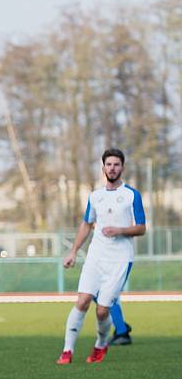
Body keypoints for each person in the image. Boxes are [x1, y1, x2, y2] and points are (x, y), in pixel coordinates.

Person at [57, 148, 145, 365]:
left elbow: (141, 228)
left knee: (103, 310)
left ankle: (100, 344)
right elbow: (87, 224)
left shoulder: (132, 195)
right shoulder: (95, 196)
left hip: (120, 260)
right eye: (108, 164)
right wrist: (73, 251)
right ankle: (67, 351)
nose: (112, 168)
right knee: (82, 300)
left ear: (122, 168)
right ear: (103, 167)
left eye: (116, 164)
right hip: (96, 257)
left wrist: (120, 230)